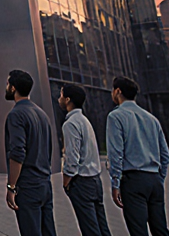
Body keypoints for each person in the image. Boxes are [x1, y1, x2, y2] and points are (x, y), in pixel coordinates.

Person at [106, 77, 169, 236]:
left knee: (138, 231)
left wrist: (115, 183)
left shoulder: (116, 117)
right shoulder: (151, 118)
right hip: (154, 179)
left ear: (118, 91)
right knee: (160, 229)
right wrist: (159, 178)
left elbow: (116, 153)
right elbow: (165, 154)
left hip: (133, 180)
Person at [3, 69, 56, 236]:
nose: (6, 87)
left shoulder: (16, 114)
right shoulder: (41, 114)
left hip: (28, 186)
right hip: (45, 184)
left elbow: (17, 152)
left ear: (13, 88)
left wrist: (11, 187)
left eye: (7, 84)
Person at [58, 85, 111, 236]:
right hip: (95, 180)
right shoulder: (85, 121)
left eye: (61, 95)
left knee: (90, 229)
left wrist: (66, 181)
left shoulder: (70, 124)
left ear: (67, 100)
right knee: (102, 226)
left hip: (81, 182)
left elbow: (72, 158)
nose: (59, 99)